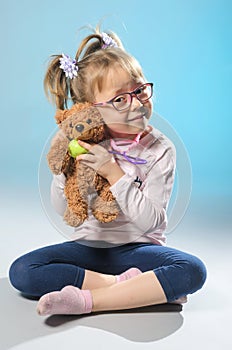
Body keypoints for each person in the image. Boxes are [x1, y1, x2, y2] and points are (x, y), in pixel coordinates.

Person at [9, 27, 207, 316]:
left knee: (192, 270)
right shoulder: (85, 144)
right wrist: (63, 169)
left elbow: (151, 221)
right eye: (119, 99)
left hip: (139, 250)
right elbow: (67, 212)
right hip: (87, 250)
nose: (137, 102)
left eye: (139, 90)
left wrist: (113, 172)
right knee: (23, 270)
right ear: (92, 110)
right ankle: (132, 289)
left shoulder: (160, 149)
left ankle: (88, 302)